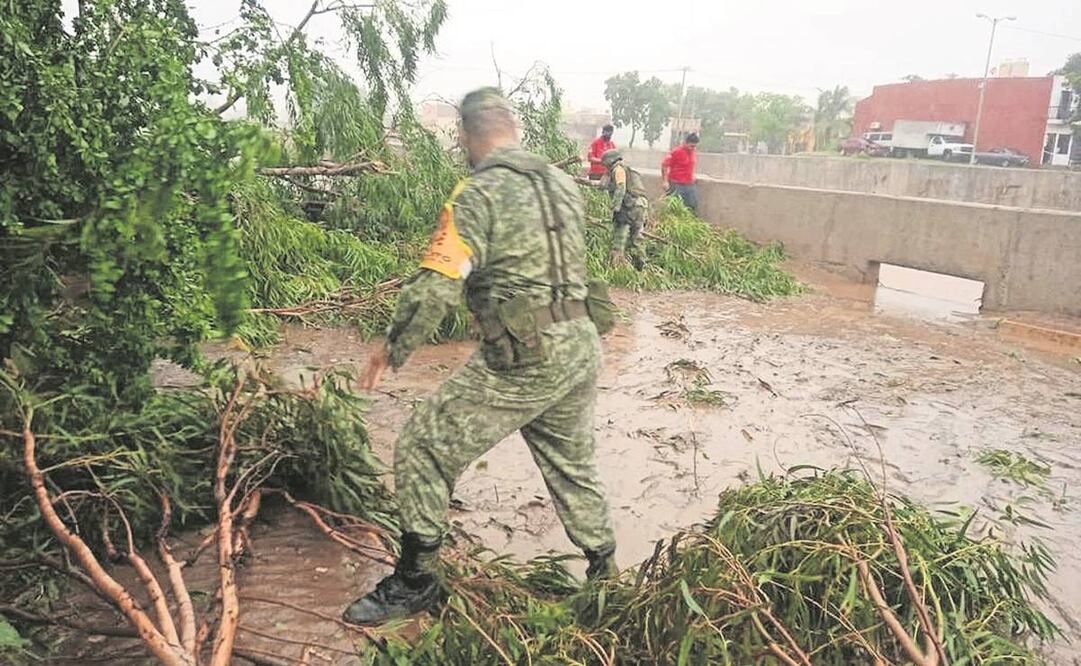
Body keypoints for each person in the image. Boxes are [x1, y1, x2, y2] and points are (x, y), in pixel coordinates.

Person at [342, 88, 618, 626]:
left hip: (526, 355)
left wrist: (392, 348)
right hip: (583, 343)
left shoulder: (478, 193)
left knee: (422, 446)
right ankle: (606, 578)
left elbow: (438, 283)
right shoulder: (563, 184)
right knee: (573, 465)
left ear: (467, 136)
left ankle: (415, 581)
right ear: (511, 127)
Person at [601, 148, 648, 269]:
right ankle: (640, 267)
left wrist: (614, 208)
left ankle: (617, 267)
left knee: (620, 237)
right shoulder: (626, 169)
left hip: (629, 207)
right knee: (637, 237)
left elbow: (621, 188)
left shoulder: (618, 170)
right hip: (641, 206)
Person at [661, 132, 700, 214]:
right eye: (691, 146)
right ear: (685, 143)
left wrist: (692, 176)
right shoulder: (676, 152)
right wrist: (665, 181)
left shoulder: (692, 153)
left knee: (692, 205)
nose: (693, 148)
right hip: (676, 184)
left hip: (689, 184)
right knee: (674, 207)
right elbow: (664, 165)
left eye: (695, 146)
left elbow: (689, 166)